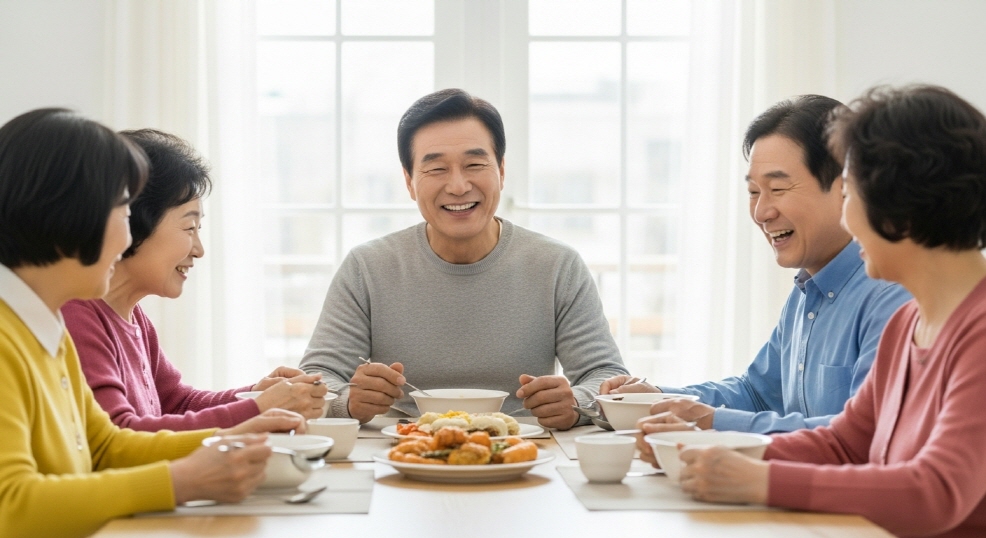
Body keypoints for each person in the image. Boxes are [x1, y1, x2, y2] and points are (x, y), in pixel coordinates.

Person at [665, 85, 986, 537]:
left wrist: (761, 479)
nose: (847, 216)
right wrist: (710, 449)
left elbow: (934, 491)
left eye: (851, 194)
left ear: (903, 207)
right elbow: (844, 442)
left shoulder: (979, 332)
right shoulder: (906, 325)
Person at [0, 109, 302, 538]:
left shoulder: (44, 327)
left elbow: (105, 444)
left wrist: (234, 432)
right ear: (69, 214)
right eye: (124, 215)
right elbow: (10, 506)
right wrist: (182, 481)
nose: (128, 238)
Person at [300, 88, 628, 429]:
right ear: (409, 181)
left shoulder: (557, 265)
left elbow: (606, 376)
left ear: (501, 171)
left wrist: (576, 403)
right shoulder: (367, 267)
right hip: (402, 452)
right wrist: (348, 403)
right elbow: (316, 378)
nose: (458, 186)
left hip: (525, 454)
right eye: (436, 168)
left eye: (474, 164)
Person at [601, 95, 911, 434]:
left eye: (777, 188)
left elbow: (865, 434)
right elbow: (757, 394)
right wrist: (658, 398)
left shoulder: (892, 295)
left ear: (846, 187)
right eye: (753, 192)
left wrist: (712, 421)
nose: (762, 213)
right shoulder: (807, 289)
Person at [62, 129, 327, 432]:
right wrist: (258, 409)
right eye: (189, 228)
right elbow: (122, 434)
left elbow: (176, 403)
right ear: (134, 222)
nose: (199, 251)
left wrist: (258, 395)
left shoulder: (134, 318)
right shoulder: (77, 316)